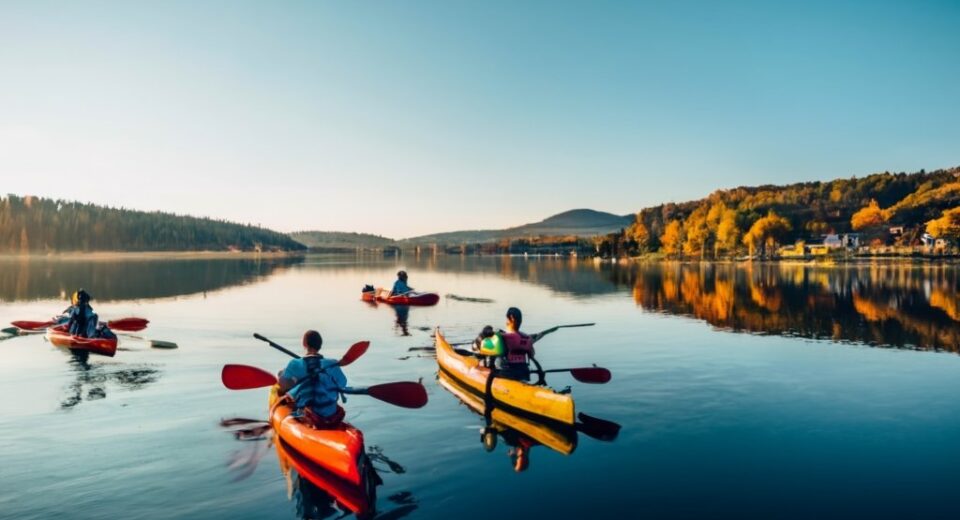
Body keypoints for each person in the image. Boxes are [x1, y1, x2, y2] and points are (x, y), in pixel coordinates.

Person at [278, 330, 348, 428]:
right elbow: (342, 384)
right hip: (331, 415)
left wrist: (291, 380)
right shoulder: (332, 364)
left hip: (307, 416)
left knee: (288, 393)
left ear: (304, 343)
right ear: (320, 345)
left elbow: (283, 385)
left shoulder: (295, 364)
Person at [473, 307, 557, 381]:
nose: (506, 322)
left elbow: (482, 347)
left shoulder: (502, 337)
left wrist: (486, 332)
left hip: (507, 375)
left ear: (511, 319)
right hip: (524, 374)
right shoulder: (528, 338)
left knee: (490, 354)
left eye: (507, 319)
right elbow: (532, 354)